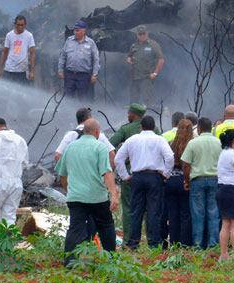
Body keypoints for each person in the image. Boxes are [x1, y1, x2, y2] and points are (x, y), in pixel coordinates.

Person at [56, 119, 119, 262]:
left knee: (75, 228)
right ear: (97, 132)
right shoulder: (100, 147)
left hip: (76, 197)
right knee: (106, 226)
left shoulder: (70, 148)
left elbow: (62, 174)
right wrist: (113, 194)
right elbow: (107, 172)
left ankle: (70, 261)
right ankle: (111, 259)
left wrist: (68, 191)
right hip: (97, 197)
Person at [114, 116, 174, 249]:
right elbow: (170, 157)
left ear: (141, 127)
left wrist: (125, 176)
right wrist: (166, 174)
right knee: (154, 210)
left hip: (137, 177)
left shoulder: (132, 140)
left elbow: (118, 159)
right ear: (154, 127)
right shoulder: (160, 140)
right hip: (154, 177)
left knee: (136, 211)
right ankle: (153, 243)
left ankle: (133, 243)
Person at [110, 103, 160, 242]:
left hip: (131, 175)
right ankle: (151, 240)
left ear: (133, 114)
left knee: (129, 208)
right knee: (151, 208)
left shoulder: (125, 129)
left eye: (129, 113)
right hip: (152, 175)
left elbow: (110, 144)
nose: (127, 115)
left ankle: (129, 240)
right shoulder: (155, 129)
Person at [182, 117, 222, 249]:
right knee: (213, 213)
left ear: (198, 128)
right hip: (215, 180)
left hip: (197, 181)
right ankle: (213, 244)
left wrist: (187, 180)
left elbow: (186, 165)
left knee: (198, 213)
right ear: (211, 127)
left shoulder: (193, 143)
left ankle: (198, 244)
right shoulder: (219, 142)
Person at [165, 118, 194, 247]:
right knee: (185, 213)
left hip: (171, 181)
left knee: (172, 214)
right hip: (184, 181)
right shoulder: (191, 144)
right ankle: (185, 243)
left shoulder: (171, 144)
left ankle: (174, 242)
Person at [58, 20, 100, 100]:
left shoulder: (91, 43)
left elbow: (96, 60)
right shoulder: (69, 41)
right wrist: (60, 70)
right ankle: (67, 112)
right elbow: (62, 56)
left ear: (84, 31)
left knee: (83, 99)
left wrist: (94, 74)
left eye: (77, 30)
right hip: (70, 75)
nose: (75, 32)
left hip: (84, 76)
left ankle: (81, 112)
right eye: (74, 30)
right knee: (67, 98)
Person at [126, 25, 165, 106]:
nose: (142, 36)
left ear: (147, 33)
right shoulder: (134, 46)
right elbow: (129, 56)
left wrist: (155, 73)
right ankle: (133, 118)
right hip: (135, 77)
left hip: (146, 77)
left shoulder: (153, 45)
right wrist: (129, 59)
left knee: (147, 101)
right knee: (133, 101)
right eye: (140, 34)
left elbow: (161, 60)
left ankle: (152, 117)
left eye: (144, 33)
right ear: (137, 35)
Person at [216, 129, 234, 261]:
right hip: (232, 190)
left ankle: (224, 254)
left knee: (225, 223)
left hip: (222, 189)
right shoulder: (232, 154)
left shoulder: (223, 153)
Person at [0, 15, 36, 83]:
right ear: (15, 24)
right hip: (9, 69)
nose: (20, 27)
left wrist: (32, 71)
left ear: (25, 25)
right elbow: (4, 52)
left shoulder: (29, 36)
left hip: (22, 70)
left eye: (22, 25)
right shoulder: (9, 35)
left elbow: (32, 53)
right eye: (18, 25)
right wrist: (0, 69)